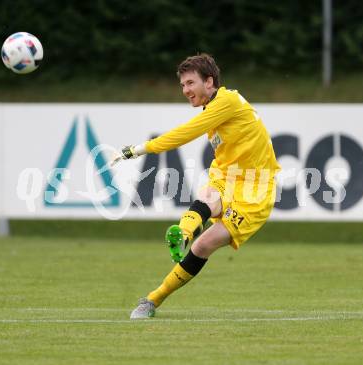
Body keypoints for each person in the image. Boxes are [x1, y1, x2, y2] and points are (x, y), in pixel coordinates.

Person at [110, 53, 281, 319]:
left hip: (255, 191)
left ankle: (156, 295)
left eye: (190, 83)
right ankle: (182, 239)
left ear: (209, 82)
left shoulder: (226, 101)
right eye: (183, 85)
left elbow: (185, 133)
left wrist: (138, 149)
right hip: (227, 176)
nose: (186, 90)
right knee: (210, 198)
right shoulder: (215, 107)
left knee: (203, 247)